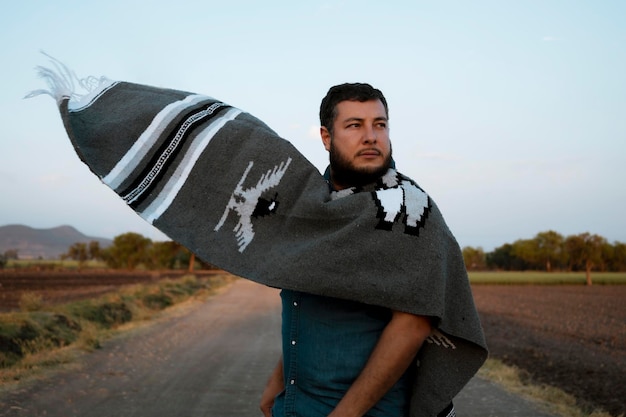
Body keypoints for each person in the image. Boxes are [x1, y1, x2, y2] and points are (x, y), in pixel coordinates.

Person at [260, 83, 439, 417]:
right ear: (327, 138)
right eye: (355, 125)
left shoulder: (407, 209)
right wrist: (278, 381)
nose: (371, 136)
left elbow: (414, 323)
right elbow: (308, 307)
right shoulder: (314, 206)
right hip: (295, 406)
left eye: (380, 124)